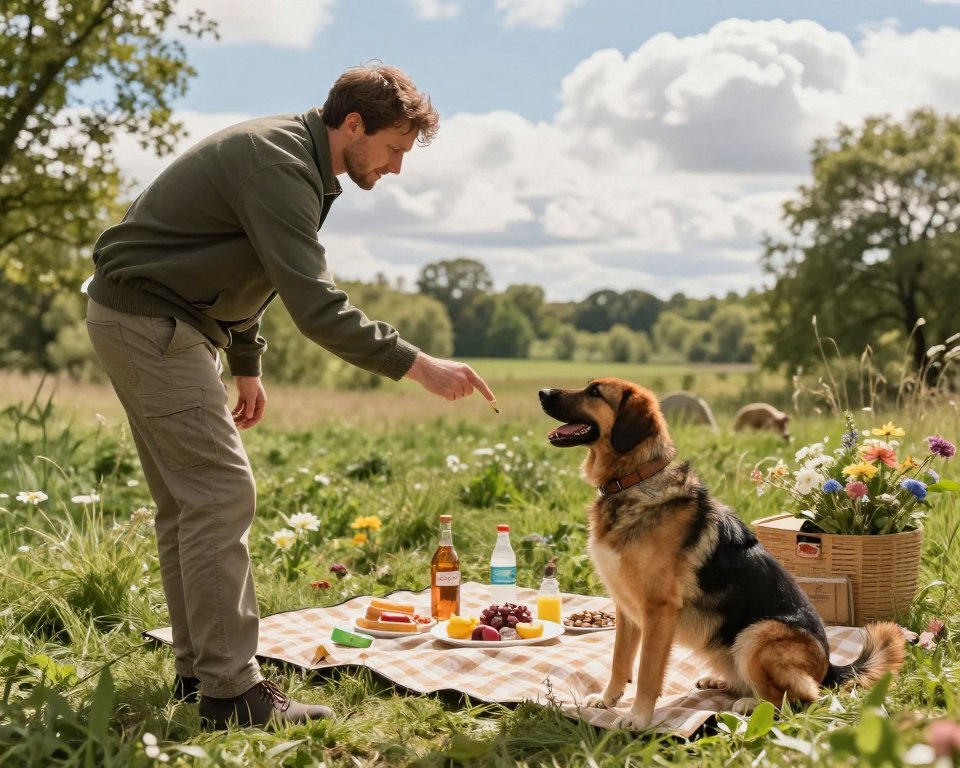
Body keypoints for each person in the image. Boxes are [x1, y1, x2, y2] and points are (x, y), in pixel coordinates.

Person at [85, 63, 495, 730]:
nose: (395, 169)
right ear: (353, 125)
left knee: (188, 503)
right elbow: (315, 305)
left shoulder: (295, 157)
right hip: (153, 322)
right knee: (219, 494)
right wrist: (419, 365)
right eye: (392, 149)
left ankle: (200, 675)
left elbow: (247, 262)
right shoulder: (278, 164)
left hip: (161, 320)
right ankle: (232, 693)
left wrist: (245, 361)